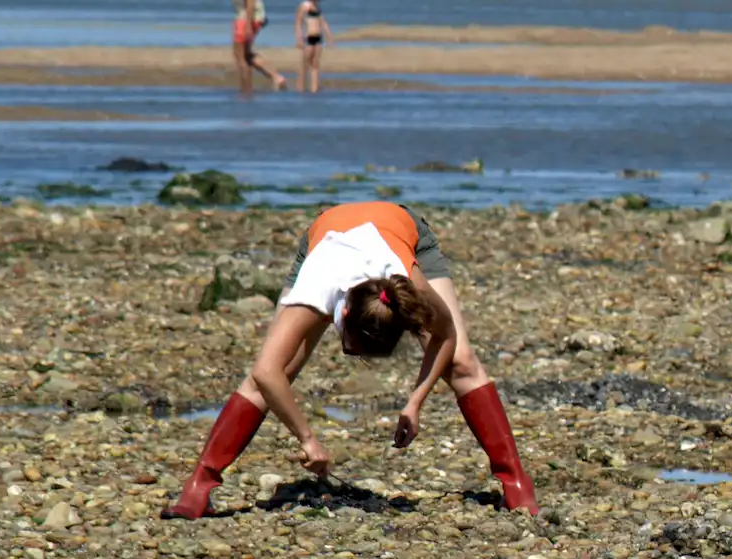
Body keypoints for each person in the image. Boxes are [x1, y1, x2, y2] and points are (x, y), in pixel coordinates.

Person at [161, 200, 537, 519]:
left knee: (463, 365)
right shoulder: (317, 287)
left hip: (402, 231)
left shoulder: (411, 288)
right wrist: (308, 439)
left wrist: (415, 401)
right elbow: (265, 372)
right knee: (278, 371)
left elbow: (447, 335)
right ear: (338, 316)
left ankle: (516, 484)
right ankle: (198, 486)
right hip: (328, 235)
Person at [216, 0, 284, 93]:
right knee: (246, 54)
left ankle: (246, 90)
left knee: (239, 55)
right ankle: (276, 77)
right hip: (246, 15)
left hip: (247, 17)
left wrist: (247, 25)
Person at [294, 0, 331, 93]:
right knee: (305, 65)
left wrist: (329, 36)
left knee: (315, 64)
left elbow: (322, 21)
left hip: (318, 37)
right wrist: (299, 39)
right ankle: (299, 88)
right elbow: (298, 23)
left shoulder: (317, 6)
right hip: (309, 37)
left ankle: (314, 89)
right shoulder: (304, 6)